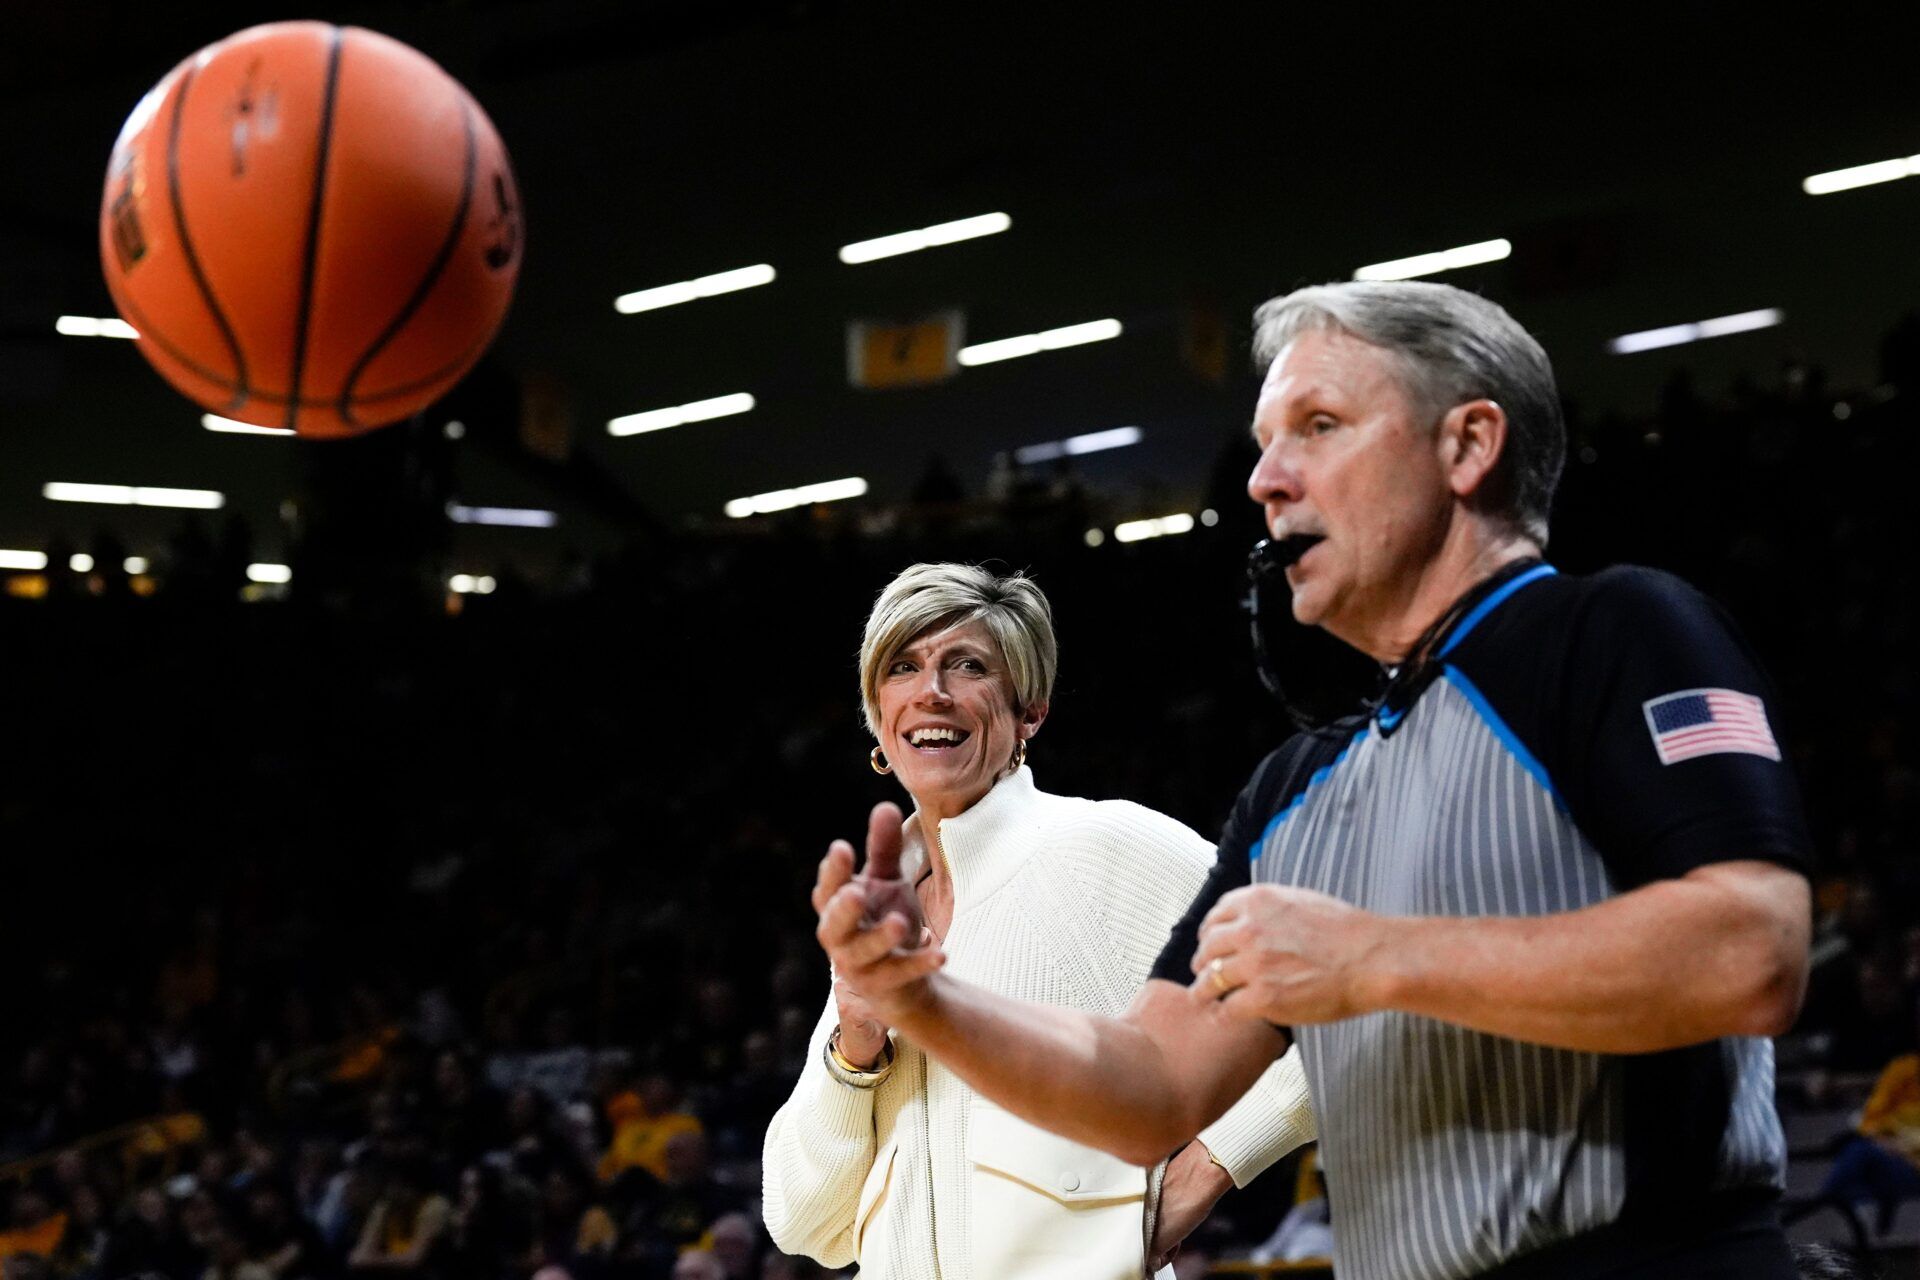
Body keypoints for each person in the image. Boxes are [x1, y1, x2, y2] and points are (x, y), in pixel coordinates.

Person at [813, 282, 1813, 1280]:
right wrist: (924, 997)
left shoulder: (1621, 629)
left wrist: (1370, 958)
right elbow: (1151, 1084)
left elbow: (1750, 948)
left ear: (1466, 446)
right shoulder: (1292, 791)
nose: (1263, 479)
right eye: (1263, 439)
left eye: (1318, 426)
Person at [764, 563, 1314, 1279]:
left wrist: (1205, 1171)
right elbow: (806, 1224)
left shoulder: (1102, 848)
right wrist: (856, 1045)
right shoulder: (877, 917)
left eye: (968, 666)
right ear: (877, 710)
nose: (932, 692)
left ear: (1031, 710)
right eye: (903, 665)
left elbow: (1327, 999)